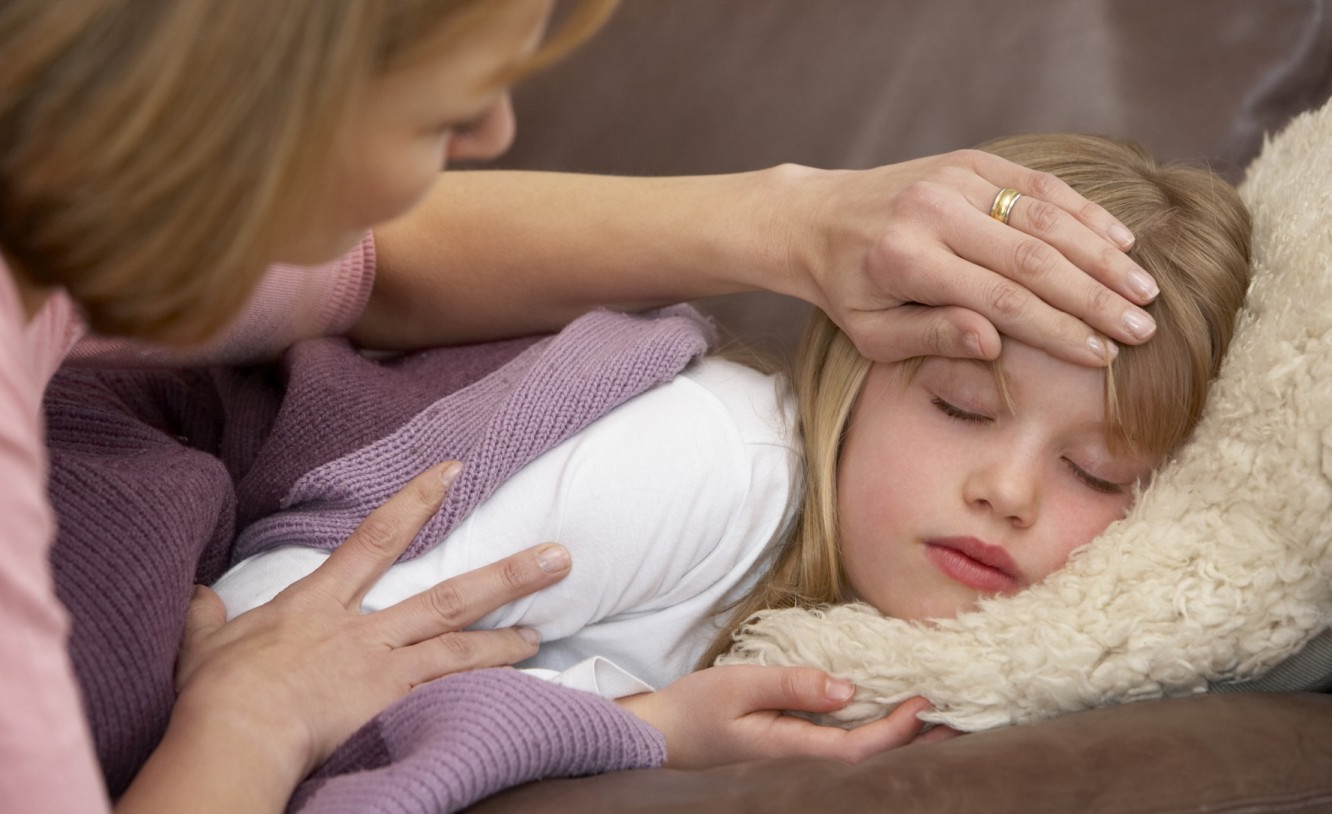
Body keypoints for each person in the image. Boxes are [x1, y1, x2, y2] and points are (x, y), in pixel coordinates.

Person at [0, 0, 1168, 809]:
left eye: (1105, 477)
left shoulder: (0, 175)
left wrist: (802, 220)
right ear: (254, 83)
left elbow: (365, 268)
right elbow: (304, 642)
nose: (493, 143)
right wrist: (244, 725)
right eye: (448, 108)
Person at [214, 132, 1252, 768]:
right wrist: (638, 727)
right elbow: (267, 635)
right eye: (962, 406)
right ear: (857, 363)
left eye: (1096, 473)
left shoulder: (893, 636)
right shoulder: (715, 461)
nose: (1008, 490)